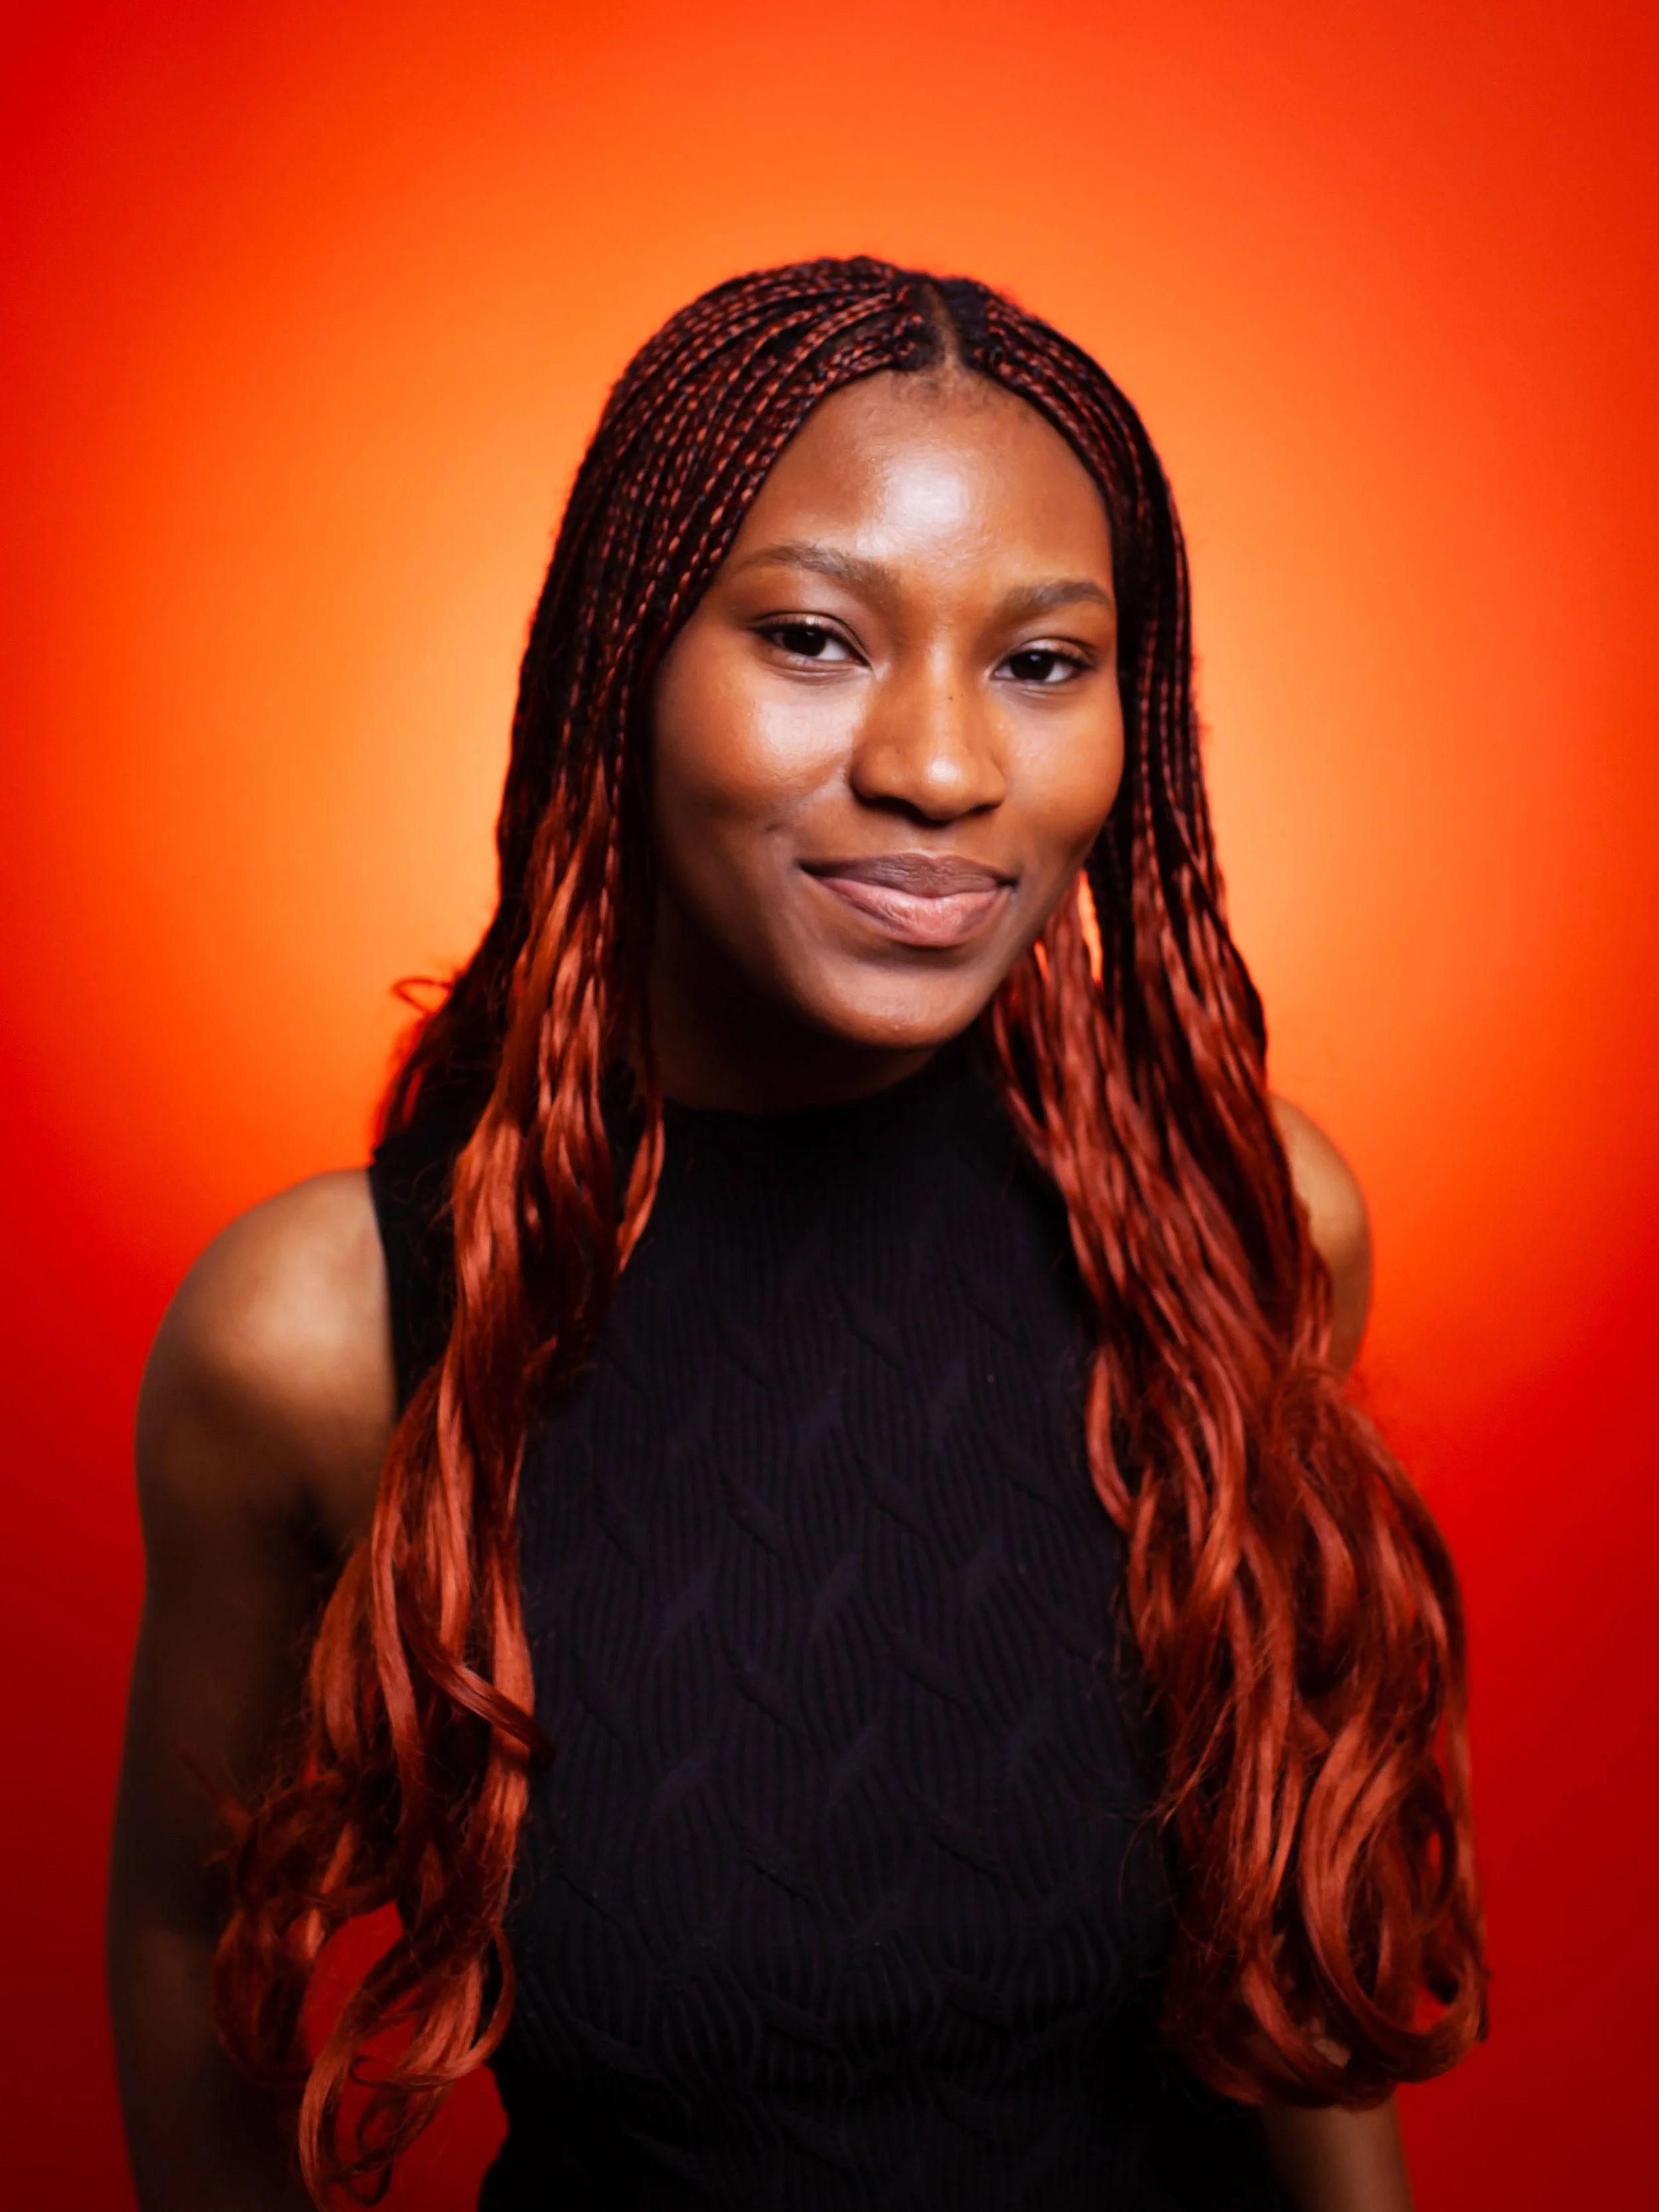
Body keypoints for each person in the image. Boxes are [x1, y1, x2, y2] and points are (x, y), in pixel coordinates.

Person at [108, 258, 1485, 2211]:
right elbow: (185, 1939)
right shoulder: (328, 1336)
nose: (941, 766)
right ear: (626, 665)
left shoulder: (1236, 1232)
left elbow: (1292, 1943)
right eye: (816, 638)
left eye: (1042, 663)